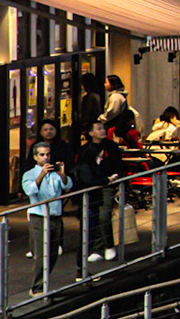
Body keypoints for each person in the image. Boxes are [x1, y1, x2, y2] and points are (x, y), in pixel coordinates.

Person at [71, 118, 127, 262]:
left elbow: (120, 167)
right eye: (98, 128)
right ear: (90, 133)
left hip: (108, 185)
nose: (102, 131)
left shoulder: (112, 147)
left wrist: (119, 183)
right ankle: (97, 248)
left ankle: (108, 245)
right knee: (92, 218)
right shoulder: (85, 150)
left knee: (104, 215)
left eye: (103, 128)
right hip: (91, 187)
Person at [20, 141, 68, 294]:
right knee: (41, 254)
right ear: (35, 157)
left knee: (53, 253)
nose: (46, 158)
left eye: (47, 154)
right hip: (39, 216)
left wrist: (62, 173)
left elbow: (67, 186)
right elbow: (30, 190)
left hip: (55, 216)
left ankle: (44, 283)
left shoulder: (55, 173)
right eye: (42, 155)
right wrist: (41, 174)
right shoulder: (30, 174)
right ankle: (37, 287)